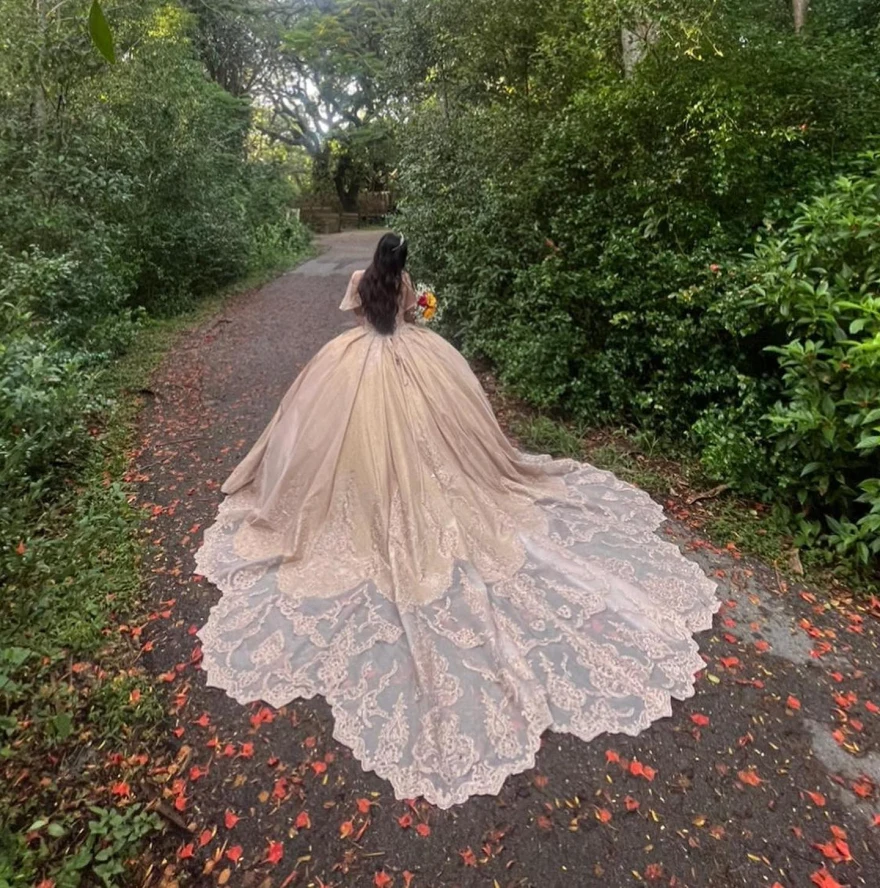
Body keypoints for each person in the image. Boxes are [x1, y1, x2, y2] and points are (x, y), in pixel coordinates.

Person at [195, 232, 718, 809]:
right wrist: (419, 309)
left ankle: (369, 495)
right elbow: (410, 317)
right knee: (428, 442)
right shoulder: (404, 286)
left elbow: (355, 314)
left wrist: (391, 312)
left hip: (360, 360)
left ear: (376, 263)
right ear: (404, 267)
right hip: (412, 360)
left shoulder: (358, 283)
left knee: (351, 446)